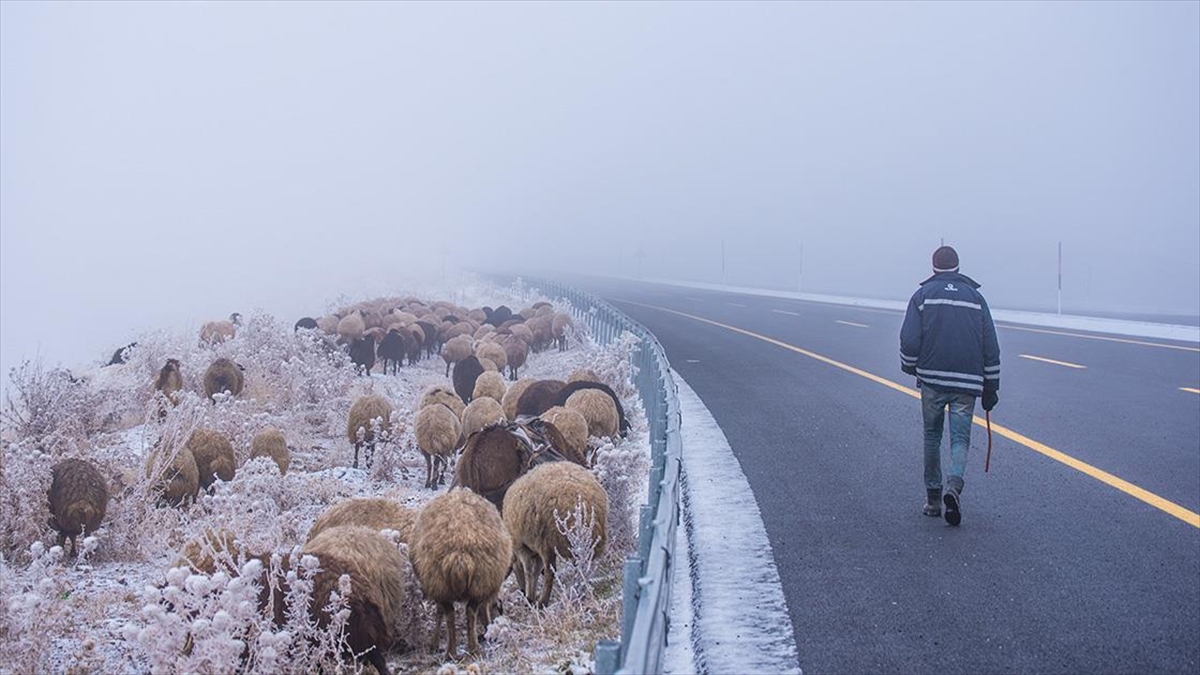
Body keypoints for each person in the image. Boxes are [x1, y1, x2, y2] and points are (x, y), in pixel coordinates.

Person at [899, 245, 1000, 526]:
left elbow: (909, 339)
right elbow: (990, 346)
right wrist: (991, 386)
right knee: (960, 439)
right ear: (957, 266)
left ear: (933, 267)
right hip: (967, 383)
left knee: (932, 436)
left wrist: (910, 365)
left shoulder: (921, 296)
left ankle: (933, 500)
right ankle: (954, 485)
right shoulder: (976, 299)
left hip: (932, 379)